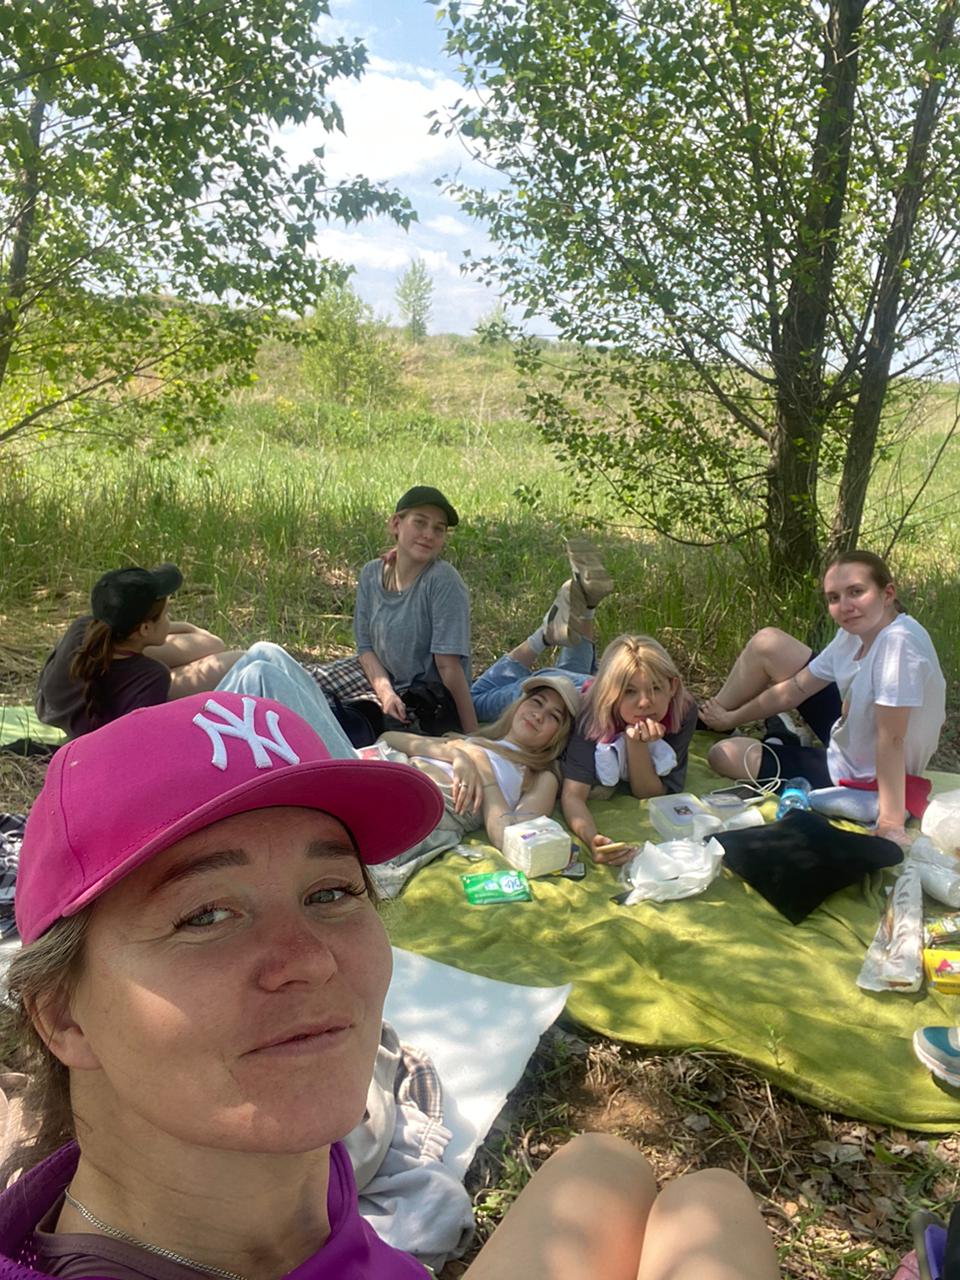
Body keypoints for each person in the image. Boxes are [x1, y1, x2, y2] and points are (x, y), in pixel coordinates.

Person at [0, 692, 780, 1280]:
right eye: (205, 914)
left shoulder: (285, 1173)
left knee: (618, 1164)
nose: (310, 960)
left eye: (331, 892)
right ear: (63, 1014)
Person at [699, 550, 946, 846]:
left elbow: (891, 739)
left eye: (856, 592)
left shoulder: (899, 646)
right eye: (834, 597)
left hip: (866, 774)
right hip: (853, 733)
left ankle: (783, 739)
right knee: (769, 643)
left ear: (888, 593)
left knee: (723, 755)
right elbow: (796, 689)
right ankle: (710, 719)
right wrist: (731, 717)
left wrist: (890, 823)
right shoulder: (853, 634)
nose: (845, 606)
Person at [35, 563, 356, 757]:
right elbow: (153, 749)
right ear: (144, 628)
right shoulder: (149, 676)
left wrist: (154, 631)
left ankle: (348, 754)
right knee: (261, 671)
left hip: (85, 719)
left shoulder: (84, 634)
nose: (171, 618)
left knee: (264, 650)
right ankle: (346, 766)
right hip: (192, 746)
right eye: (166, 614)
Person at [373, 672, 579, 896]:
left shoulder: (540, 776)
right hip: (393, 770)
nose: (538, 715)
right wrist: (457, 754)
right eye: (537, 702)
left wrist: (484, 771)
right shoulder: (475, 740)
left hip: (425, 805)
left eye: (554, 716)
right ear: (519, 704)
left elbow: (512, 838)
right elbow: (388, 738)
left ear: (560, 735)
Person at [310, 486, 475, 735]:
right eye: (420, 522)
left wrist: (471, 735)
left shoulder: (442, 581)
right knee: (275, 667)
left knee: (307, 702)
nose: (429, 534)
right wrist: (386, 693)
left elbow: (448, 667)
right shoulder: (371, 573)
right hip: (376, 676)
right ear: (396, 524)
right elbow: (365, 648)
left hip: (418, 698)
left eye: (438, 529)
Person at [560, 634, 698, 866]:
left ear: (672, 686)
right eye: (629, 691)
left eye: (655, 688)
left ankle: (581, 626)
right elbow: (573, 794)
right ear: (611, 694)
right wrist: (592, 839)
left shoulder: (684, 710)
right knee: (495, 697)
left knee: (575, 666)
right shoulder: (588, 713)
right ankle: (546, 638)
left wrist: (636, 744)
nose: (644, 703)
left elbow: (650, 793)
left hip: (597, 680)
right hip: (561, 692)